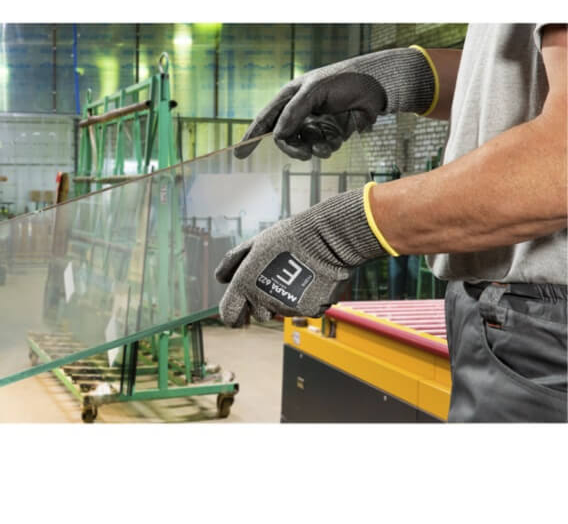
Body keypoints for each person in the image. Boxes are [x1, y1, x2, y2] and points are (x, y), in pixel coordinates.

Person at [215, 24, 567, 423]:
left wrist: (339, 233)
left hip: (545, 326)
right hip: (508, 314)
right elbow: (516, 77)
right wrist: (398, 77)